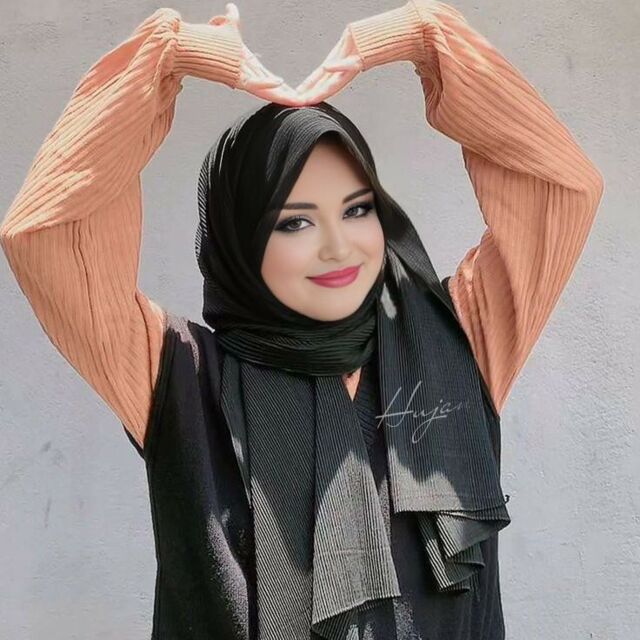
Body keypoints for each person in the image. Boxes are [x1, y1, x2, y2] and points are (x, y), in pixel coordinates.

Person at [0, 2, 604, 639]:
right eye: (295, 222)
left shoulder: (462, 340)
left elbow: (561, 191)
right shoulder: (177, 376)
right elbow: (46, 235)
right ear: (243, 239)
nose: (339, 248)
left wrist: (425, 36)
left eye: (357, 209)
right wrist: (167, 57)